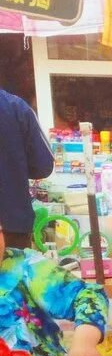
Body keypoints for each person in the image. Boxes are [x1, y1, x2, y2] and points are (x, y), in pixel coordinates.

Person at [0, 87, 54, 249]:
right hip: (12, 222)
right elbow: (43, 166)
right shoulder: (16, 107)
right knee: (13, 273)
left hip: (13, 220)